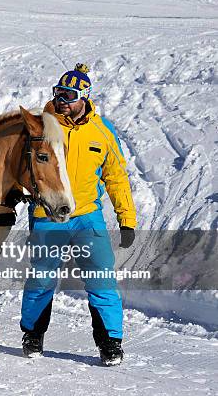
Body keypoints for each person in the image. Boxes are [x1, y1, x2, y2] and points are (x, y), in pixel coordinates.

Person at [20, 64, 137, 366]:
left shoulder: (102, 131)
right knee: (42, 278)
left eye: (69, 95)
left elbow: (116, 177)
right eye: (58, 93)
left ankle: (110, 342)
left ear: (84, 96)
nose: (62, 100)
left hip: (87, 216)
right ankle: (32, 334)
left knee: (101, 278)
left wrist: (127, 219)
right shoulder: (41, 127)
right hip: (48, 216)